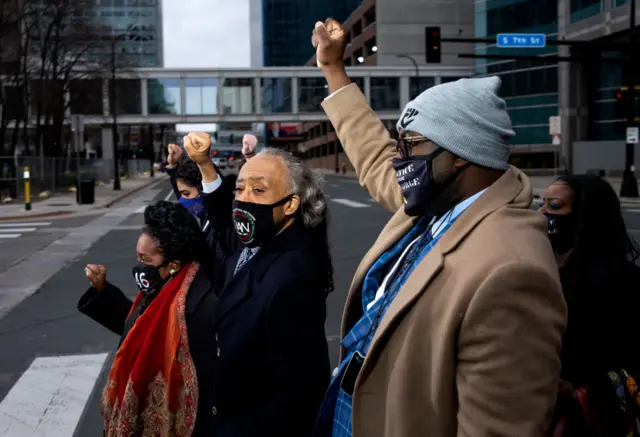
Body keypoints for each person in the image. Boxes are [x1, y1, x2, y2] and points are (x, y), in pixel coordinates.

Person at [310, 18, 567, 437]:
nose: (398, 159)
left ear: (462, 153)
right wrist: (333, 69)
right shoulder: (439, 198)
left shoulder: (513, 271)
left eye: (410, 145)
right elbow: (375, 159)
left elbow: (496, 428)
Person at [183, 131, 331, 437]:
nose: (244, 199)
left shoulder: (293, 278)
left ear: (291, 204)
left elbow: (294, 393)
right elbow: (226, 221)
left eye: (259, 190)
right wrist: (206, 166)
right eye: (239, 188)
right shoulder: (260, 237)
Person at [78, 201, 220, 437]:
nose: (139, 267)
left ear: (173, 264)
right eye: (138, 257)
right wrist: (102, 290)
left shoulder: (198, 307)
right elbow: (138, 328)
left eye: (146, 260)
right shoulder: (162, 285)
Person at [539, 175, 640, 436]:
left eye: (555, 207)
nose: (541, 214)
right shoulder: (534, 273)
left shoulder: (625, 284)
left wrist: (579, 393)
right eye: (542, 204)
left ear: (587, 217)